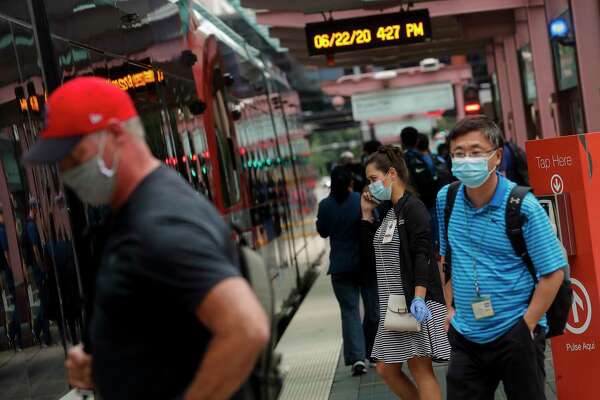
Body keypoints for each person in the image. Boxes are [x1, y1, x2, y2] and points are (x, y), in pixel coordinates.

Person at [23, 77, 269, 400]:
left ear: (113, 135)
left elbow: (245, 329)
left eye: (74, 155)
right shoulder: (136, 211)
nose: (67, 172)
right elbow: (165, 334)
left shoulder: (159, 221)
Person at [437, 116, 567, 400]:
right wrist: (448, 310)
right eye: (458, 154)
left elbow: (553, 272)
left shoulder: (523, 206)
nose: (465, 160)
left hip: (515, 331)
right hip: (465, 335)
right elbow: (446, 258)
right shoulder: (446, 199)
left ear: (496, 157)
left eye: (475, 152)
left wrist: (527, 324)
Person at [360, 146, 450, 400]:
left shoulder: (413, 208)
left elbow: (423, 254)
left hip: (413, 300)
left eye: (373, 179)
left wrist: (419, 297)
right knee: (386, 368)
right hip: (395, 305)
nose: (370, 187)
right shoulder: (391, 211)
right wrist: (366, 215)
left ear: (391, 174)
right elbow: (372, 256)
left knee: (419, 367)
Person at [316, 166, 368, 376]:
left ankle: (357, 358)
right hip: (364, 263)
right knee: (373, 309)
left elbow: (322, 232)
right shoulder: (360, 199)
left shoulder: (325, 205)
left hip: (340, 266)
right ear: (351, 182)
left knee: (350, 312)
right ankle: (373, 351)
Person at [23, 198, 53, 347]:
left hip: (35, 267)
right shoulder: (31, 226)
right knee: (44, 300)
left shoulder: (29, 224)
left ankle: (39, 330)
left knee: (44, 300)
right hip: (37, 267)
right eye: (37, 208)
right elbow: (35, 248)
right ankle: (42, 333)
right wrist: (42, 266)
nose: (38, 211)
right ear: (33, 208)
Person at [400, 127, 438, 211]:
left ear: (401, 141)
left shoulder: (398, 160)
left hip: (409, 205)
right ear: (417, 141)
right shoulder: (423, 158)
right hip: (427, 205)